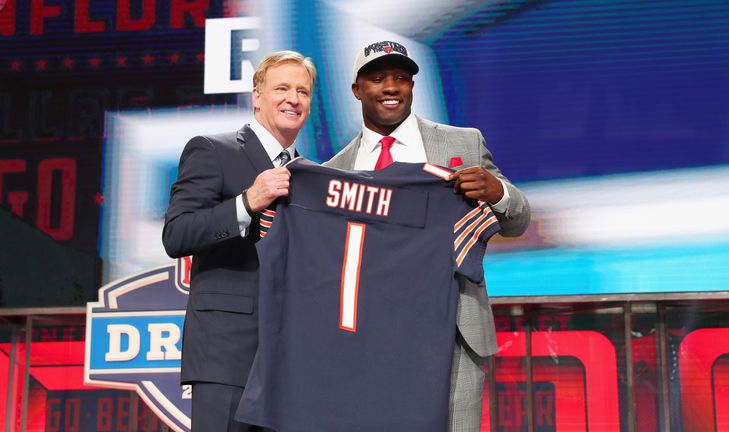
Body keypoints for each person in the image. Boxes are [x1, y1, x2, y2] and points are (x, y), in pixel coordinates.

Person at [325, 40, 530, 431]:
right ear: (356, 89)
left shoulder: (463, 142)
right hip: (372, 339)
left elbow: (518, 221)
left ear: (412, 86)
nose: (391, 87)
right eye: (378, 78)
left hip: (453, 333)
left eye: (401, 78)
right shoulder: (335, 171)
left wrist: (497, 192)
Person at [162, 50, 316, 432]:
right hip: (226, 358)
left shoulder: (313, 176)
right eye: (282, 88)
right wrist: (247, 202)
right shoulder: (212, 149)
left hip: (292, 363)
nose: (293, 99)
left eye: (303, 91)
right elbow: (177, 234)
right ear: (257, 96)